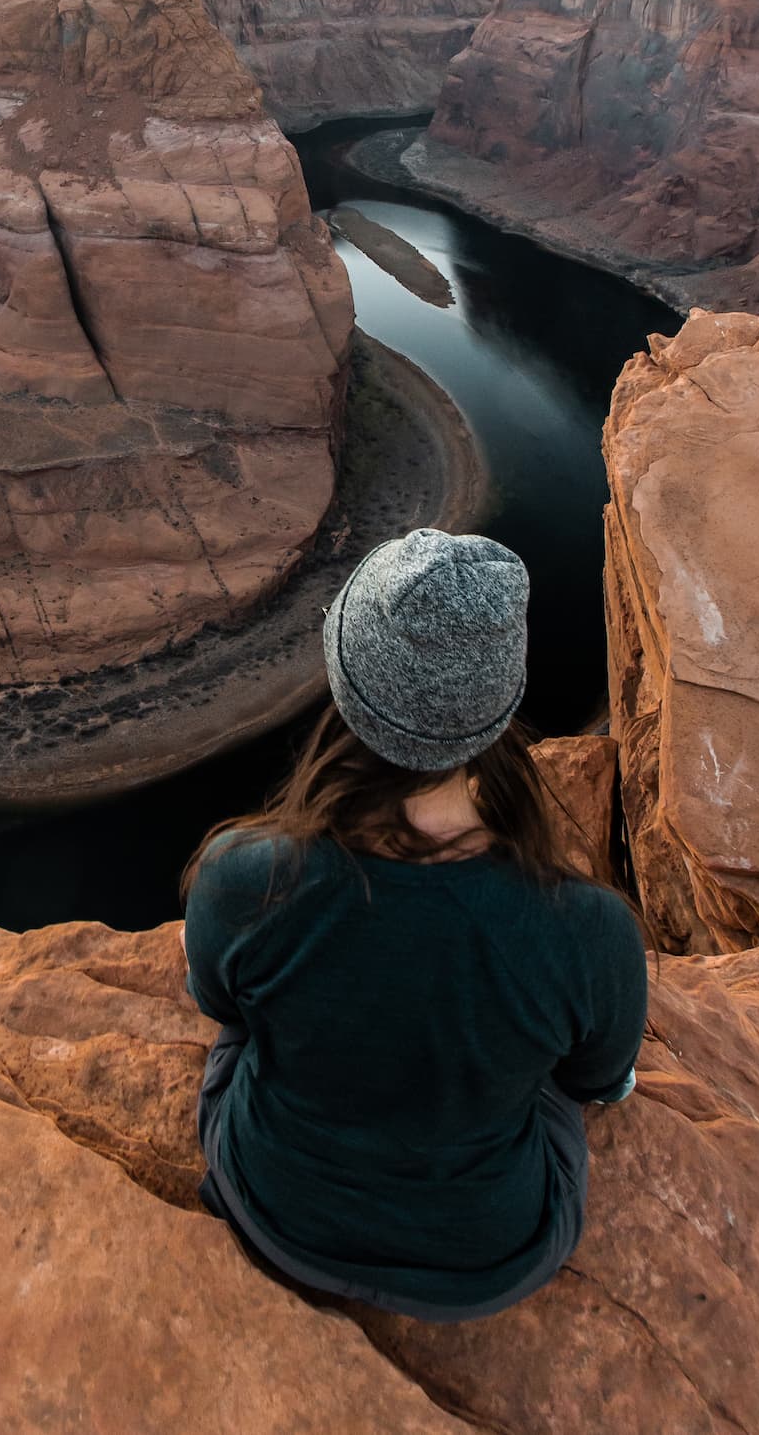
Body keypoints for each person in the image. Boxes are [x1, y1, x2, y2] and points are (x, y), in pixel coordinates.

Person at [181, 528, 647, 1322]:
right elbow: (600, 1083)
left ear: (349, 687)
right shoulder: (588, 929)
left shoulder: (245, 876)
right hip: (488, 1255)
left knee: (243, 1030)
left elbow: (220, 1006)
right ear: (497, 709)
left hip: (277, 1212)